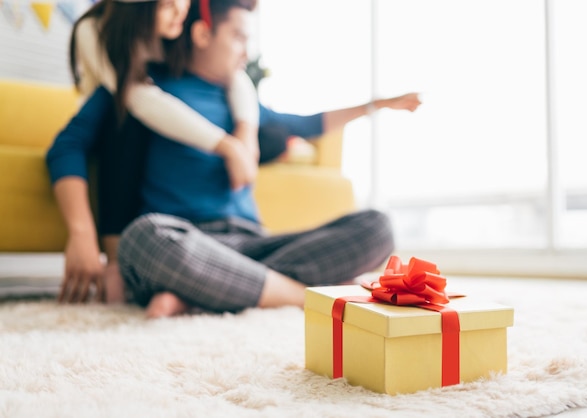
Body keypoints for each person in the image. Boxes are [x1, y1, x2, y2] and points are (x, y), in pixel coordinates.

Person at [47, 0, 421, 317]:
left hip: (251, 243)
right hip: (185, 239)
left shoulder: (244, 105)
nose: (246, 51)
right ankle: (295, 295)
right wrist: (82, 234)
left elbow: (307, 123)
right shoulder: (141, 87)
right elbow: (67, 146)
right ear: (202, 34)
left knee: (377, 226)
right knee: (143, 238)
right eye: (238, 37)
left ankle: (201, 294)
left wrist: (378, 104)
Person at [58, 0, 260, 304]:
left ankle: (189, 289)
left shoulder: (174, 33)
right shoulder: (97, 31)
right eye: (168, 4)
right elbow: (138, 99)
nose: (181, 10)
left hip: (167, 133)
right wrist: (83, 234)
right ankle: (119, 259)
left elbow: (237, 76)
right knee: (126, 116)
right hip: (113, 133)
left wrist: (246, 133)